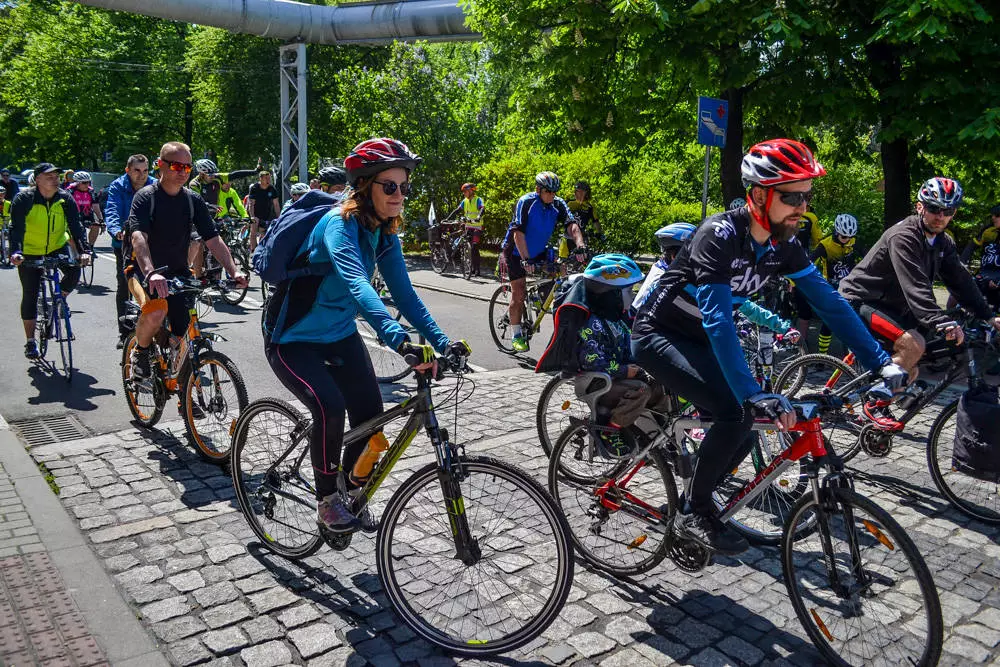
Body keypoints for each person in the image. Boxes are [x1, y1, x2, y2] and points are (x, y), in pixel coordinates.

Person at [630, 139, 903, 555]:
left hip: (700, 337)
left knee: (746, 423)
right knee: (734, 407)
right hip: (658, 334)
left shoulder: (785, 244)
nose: (803, 207)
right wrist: (752, 393)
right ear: (759, 195)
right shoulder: (717, 236)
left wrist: (882, 364)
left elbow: (829, 302)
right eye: (792, 196)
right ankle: (694, 511)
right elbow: (720, 320)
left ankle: (696, 489)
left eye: (807, 196)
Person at [262, 137, 471, 536]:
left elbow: (405, 295)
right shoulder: (338, 225)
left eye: (404, 186)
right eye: (389, 186)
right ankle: (327, 501)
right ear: (364, 187)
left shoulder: (384, 232)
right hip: (291, 339)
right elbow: (359, 285)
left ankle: (352, 490)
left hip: (338, 335)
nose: (399, 195)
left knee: (371, 416)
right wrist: (397, 339)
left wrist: (443, 342)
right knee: (329, 406)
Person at [839, 177, 1000, 429]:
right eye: (934, 208)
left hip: (892, 305)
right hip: (861, 299)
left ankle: (889, 397)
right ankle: (874, 403)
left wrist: (988, 316)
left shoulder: (943, 242)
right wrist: (942, 321)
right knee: (913, 344)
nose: (940, 216)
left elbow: (961, 281)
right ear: (919, 207)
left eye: (948, 211)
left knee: (914, 363)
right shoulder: (904, 236)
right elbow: (915, 286)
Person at [123, 142, 248, 380]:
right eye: (177, 165)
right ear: (160, 165)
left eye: (188, 167)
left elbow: (213, 239)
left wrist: (233, 272)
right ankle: (140, 350)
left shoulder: (192, 200)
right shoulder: (145, 198)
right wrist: (151, 272)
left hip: (178, 272)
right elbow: (139, 237)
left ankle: (184, 394)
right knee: (157, 312)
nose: (183, 171)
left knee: (184, 332)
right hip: (142, 271)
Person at [537, 254, 662, 455]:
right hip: (598, 380)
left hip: (615, 376)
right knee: (641, 390)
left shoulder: (617, 318)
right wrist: (625, 371)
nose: (633, 296)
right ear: (610, 294)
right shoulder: (592, 324)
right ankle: (610, 431)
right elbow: (594, 361)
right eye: (628, 291)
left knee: (660, 384)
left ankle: (652, 433)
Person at [633, 222, 801, 342]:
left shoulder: (701, 277)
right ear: (675, 256)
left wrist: (782, 326)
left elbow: (746, 306)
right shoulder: (662, 279)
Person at [9, 163, 92, 359]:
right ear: (37, 180)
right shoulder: (24, 199)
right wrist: (16, 252)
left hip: (57, 246)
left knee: (74, 271)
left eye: (56, 176)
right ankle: (30, 341)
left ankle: (58, 300)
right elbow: (17, 229)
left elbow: (75, 225)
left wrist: (84, 251)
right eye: (50, 177)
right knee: (30, 294)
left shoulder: (65, 198)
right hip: (30, 251)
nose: (55, 179)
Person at [502, 172, 587, 352]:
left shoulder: (558, 204)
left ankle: (551, 300)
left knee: (561, 271)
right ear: (538, 189)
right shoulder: (526, 202)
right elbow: (518, 233)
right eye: (548, 191)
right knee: (518, 293)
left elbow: (571, 225)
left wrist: (580, 246)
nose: (552, 195)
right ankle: (516, 334)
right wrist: (526, 260)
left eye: (554, 192)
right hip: (517, 251)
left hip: (539, 249)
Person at [106, 155, 155, 345]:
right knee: (124, 284)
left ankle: (152, 328)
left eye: (145, 170)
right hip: (124, 243)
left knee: (153, 283)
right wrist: (116, 229)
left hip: (149, 242)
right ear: (128, 170)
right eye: (136, 170)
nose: (141, 175)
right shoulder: (118, 186)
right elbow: (112, 210)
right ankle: (125, 333)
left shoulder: (154, 185)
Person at [810, 213, 865, 354]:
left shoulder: (854, 242)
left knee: (853, 320)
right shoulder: (825, 245)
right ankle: (821, 356)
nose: (847, 240)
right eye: (844, 237)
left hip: (851, 286)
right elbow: (808, 263)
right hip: (831, 286)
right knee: (829, 323)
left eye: (850, 237)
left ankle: (851, 355)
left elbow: (868, 258)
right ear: (837, 232)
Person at [790, 209, 824, 343]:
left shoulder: (780, 212)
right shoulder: (811, 217)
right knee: (804, 305)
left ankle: (800, 342)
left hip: (780, 261)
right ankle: (802, 342)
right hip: (801, 264)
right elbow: (817, 241)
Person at [961, 204, 1000, 312]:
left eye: (997, 215)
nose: (993, 217)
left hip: (997, 280)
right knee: (956, 296)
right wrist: (961, 264)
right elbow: (970, 247)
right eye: (993, 215)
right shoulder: (988, 231)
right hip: (984, 275)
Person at [447, 182, 485, 276]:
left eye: (465, 191)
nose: (464, 193)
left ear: (471, 191)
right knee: (468, 248)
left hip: (477, 227)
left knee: (474, 247)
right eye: (463, 192)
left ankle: (477, 270)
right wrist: (447, 218)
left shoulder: (478, 200)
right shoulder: (465, 201)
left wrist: (479, 216)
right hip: (468, 227)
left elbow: (482, 209)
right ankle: (471, 268)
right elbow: (457, 210)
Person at [563, 180, 603, 258]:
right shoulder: (569, 202)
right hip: (567, 236)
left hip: (581, 237)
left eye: (580, 192)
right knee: (563, 260)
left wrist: (599, 233)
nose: (577, 193)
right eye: (576, 191)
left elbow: (596, 221)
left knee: (584, 258)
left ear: (586, 193)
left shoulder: (590, 207)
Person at [67, 171, 104, 251]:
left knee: (96, 225)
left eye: (88, 182)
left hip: (86, 214)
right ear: (77, 183)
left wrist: (101, 220)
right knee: (78, 231)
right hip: (74, 215)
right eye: (84, 183)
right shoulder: (70, 191)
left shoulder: (91, 191)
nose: (87, 185)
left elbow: (96, 207)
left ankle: (90, 247)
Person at [247, 171, 280, 253]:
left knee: (264, 233)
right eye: (266, 178)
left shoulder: (272, 189)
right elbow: (251, 204)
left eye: (269, 178)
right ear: (261, 179)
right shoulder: (254, 188)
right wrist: (252, 216)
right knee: (254, 230)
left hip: (266, 214)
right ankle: (253, 251)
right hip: (255, 213)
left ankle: (260, 251)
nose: (269, 180)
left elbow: (276, 204)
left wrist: (279, 217)